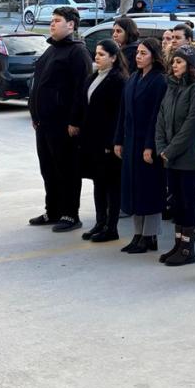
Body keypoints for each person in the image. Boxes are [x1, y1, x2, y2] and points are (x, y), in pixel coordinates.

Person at [28, 6, 91, 232]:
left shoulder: (77, 52)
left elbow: (81, 90)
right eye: (52, 20)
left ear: (71, 25)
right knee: (48, 169)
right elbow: (37, 85)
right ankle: (52, 210)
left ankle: (69, 214)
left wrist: (75, 121)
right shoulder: (50, 50)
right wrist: (34, 113)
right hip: (43, 124)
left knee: (67, 170)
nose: (52, 24)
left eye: (57, 20)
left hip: (64, 125)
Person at [155, 45, 195, 265]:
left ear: (191, 65)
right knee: (176, 202)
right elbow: (161, 118)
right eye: (173, 61)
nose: (174, 65)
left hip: (187, 157)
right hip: (170, 157)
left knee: (188, 202)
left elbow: (193, 124)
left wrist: (170, 150)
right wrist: (161, 147)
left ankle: (188, 249)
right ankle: (177, 243)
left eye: (179, 61)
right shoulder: (172, 86)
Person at [115, 38, 168, 253]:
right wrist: (118, 139)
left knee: (149, 190)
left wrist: (150, 146)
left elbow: (157, 117)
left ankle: (150, 236)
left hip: (147, 143)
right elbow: (122, 112)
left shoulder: (159, 81)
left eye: (143, 53)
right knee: (134, 189)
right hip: (130, 142)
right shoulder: (133, 78)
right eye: (137, 52)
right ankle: (138, 234)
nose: (138, 56)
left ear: (154, 57)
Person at [75, 40, 127, 243]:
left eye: (102, 54)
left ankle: (111, 227)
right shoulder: (95, 76)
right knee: (98, 183)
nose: (97, 57)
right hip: (92, 140)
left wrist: (111, 142)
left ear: (113, 58)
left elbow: (117, 115)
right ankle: (100, 222)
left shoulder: (118, 80)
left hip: (108, 142)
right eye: (96, 54)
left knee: (111, 185)